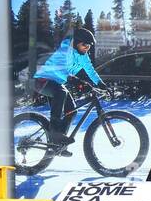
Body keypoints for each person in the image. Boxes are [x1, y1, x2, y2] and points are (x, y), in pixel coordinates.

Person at [33, 27, 102, 155]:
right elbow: (66, 71)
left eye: (89, 46)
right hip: (42, 80)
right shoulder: (66, 51)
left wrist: (100, 84)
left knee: (72, 110)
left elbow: (90, 70)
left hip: (57, 83)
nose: (87, 47)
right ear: (76, 42)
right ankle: (54, 133)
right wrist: (79, 82)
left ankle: (58, 145)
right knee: (61, 92)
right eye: (85, 44)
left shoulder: (83, 56)